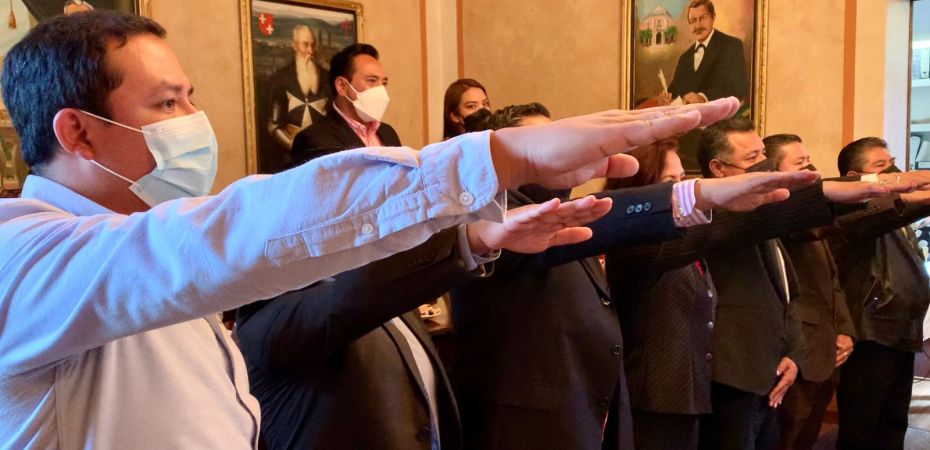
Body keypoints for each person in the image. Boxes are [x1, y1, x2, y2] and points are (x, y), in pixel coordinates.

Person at [0, 10, 751, 448]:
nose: (195, 121)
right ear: (79, 132)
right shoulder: (22, 254)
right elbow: (236, 233)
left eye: (191, 97)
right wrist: (496, 157)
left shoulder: (146, 246)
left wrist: (475, 232)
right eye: (168, 104)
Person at [448, 106, 891, 450]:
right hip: (531, 424)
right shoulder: (492, 222)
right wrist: (700, 195)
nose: (560, 154)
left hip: (601, 410)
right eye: (542, 145)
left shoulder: (565, 217)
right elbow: (627, 221)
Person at [830, 137, 930, 450]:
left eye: (892, 163)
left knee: (893, 423)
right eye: (881, 166)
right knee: (863, 426)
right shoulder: (855, 210)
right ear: (853, 178)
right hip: (871, 333)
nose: (894, 172)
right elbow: (892, 208)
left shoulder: (893, 211)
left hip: (901, 330)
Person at [762, 134, 857, 450]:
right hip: (796, 354)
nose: (811, 170)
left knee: (808, 438)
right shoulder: (776, 217)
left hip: (827, 351)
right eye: (800, 164)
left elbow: (832, 282)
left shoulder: (815, 218)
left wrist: (845, 330)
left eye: (809, 161)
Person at [291, 43, 398, 167]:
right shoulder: (313, 139)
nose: (380, 90)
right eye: (372, 81)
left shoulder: (388, 133)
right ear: (342, 86)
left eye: (384, 83)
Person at [264, 25, 331, 173]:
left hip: (323, 159)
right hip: (290, 161)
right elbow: (273, 126)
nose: (310, 51)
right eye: (305, 44)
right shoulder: (280, 80)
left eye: (313, 45)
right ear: (294, 45)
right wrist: (296, 147)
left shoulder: (327, 79)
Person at [661, 0, 748, 105]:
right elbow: (674, 92)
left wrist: (703, 98)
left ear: (713, 17)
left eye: (703, 18)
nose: (697, 25)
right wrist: (668, 98)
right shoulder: (684, 58)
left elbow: (739, 89)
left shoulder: (731, 46)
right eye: (693, 20)